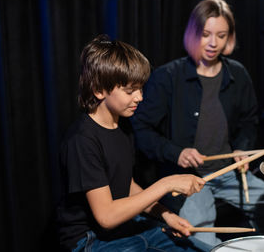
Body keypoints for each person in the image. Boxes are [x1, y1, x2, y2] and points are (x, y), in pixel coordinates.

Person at [131, 0, 264, 247]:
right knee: (204, 242)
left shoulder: (238, 75)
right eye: (206, 34)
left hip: (230, 174)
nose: (213, 43)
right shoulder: (168, 77)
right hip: (187, 178)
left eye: (221, 35)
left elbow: (248, 121)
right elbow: (140, 128)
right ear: (193, 34)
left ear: (229, 37)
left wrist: (242, 148)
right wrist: (176, 152)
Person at [56, 34, 213, 252]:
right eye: (130, 91)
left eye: (140, 88)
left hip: (126, 227)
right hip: (90, 240)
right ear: (99, 90)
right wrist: (166, 184)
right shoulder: (82, 140)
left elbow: (126, 185)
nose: (139, 97)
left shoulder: (123, 125)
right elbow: (107, 217)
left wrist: (166, 215)